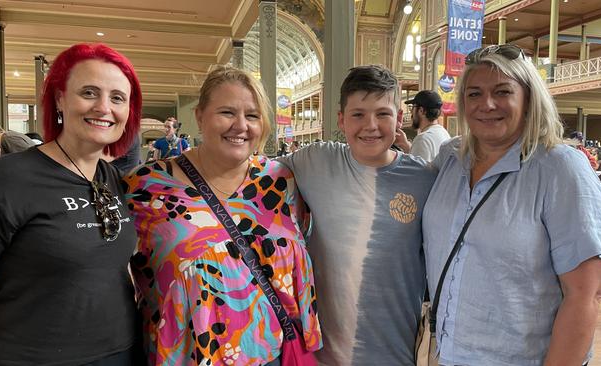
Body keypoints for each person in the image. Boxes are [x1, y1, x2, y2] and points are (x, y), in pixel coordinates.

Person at [423, 44, 601, 366]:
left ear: (528, 98)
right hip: (448, 354)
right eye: (474, 94)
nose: (487, 104)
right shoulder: (450, 158)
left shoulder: (560, 168)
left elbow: (586, 294)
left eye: (502, 92)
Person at [124, 66, 321, 365]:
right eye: (227, 112)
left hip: (273, 357)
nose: (240, 126)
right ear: (200, 116)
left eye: (252, 116)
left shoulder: (280, 181)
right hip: (188, 358)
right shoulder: (146, 187)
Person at [0, 43, 144, 365]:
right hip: (27, 356)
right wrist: (21, 285)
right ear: (59, 99)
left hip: (120, 352)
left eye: (118, 98)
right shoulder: (7, 179)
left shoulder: (111, 178)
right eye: (89, 93)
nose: (104, 108)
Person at [278, 65, 437, 365]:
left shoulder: (425, 179)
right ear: (341, 119)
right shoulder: (316, 161)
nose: (371, 125)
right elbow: (251, 180)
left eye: (382, 114)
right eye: (358, 114)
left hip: (397, 354)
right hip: (322, 356)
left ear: (400, 118)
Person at [404, 90, 451, 162]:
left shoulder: (423, 139)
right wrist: (405, 145)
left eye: (413, 107)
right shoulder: (443, 132)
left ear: (421, 110)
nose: (411, 112)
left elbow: (414, 172)